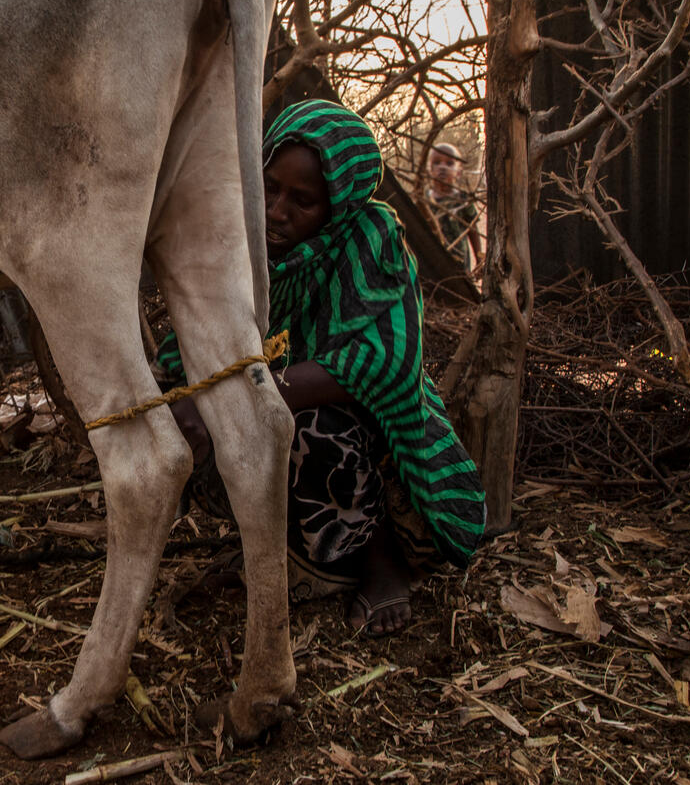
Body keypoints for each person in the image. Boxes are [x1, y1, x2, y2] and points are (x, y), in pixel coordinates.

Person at [159, 100, 485, 636]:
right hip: (280, 430)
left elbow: (383, 366)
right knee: (202, 425)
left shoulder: (373, 241)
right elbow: (196, 333)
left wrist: (232, 395)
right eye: (270, 187)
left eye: (304, 200)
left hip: (376, 462)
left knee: (311, 429)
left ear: (339, 203)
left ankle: (382, 565)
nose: (278, 210)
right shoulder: (248, 244)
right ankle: (286, 554)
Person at [427, 142, 481, 271]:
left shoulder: (463, 199)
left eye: (449, 163)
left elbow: (472, 230)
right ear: (429, 169)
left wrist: (479, 259)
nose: (442, 167)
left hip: (460, 264)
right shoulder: (424, 200)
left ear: (459, 171)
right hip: (433, 264)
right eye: (437, 162)